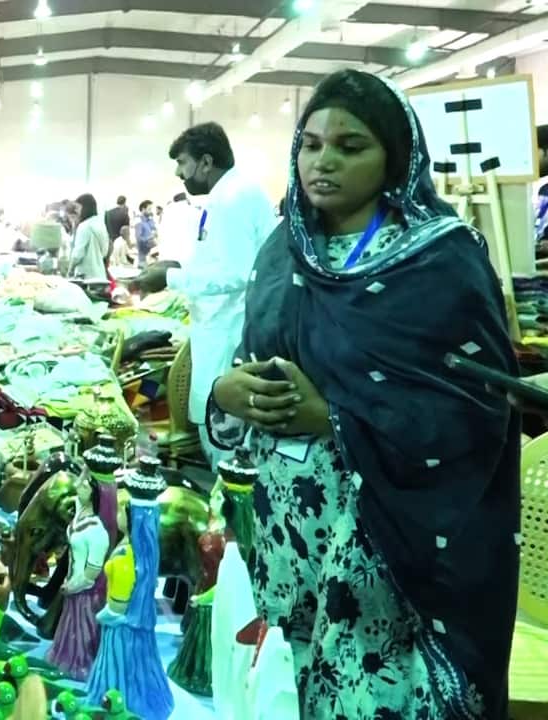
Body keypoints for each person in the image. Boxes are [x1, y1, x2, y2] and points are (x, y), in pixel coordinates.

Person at [208, 69, 518, 719]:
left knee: (370, 696)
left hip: (388, 542)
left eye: (351, 146)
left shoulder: (441, 261)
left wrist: (337, 418)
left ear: (396, 157)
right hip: (294, 530)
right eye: (312, 143)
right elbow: (254, 356)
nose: (323, 161)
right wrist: (226, 390)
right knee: (299, 690)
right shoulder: (282, 250)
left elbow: (475, 412)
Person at [135, 122, 276, 465]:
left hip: (229, 334)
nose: (178, 172)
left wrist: (170, 277)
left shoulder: (234, 198)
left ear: (206, 162)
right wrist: (177, 266)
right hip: (215, 330)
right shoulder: (225, 196)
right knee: (216, 431)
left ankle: (225, 513)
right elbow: (217, 260)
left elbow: (237, 273)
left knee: (224, 447)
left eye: (183, 162)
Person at [68, 192, 109, 280]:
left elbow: (78, 255)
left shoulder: (84, 226)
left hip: (85, 276)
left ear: (85, 207)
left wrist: (70, 269)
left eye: (78, 208)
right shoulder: (101, 224)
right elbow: (105, 251)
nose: (77, 211)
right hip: (99, 274)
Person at [104, 194, 131, 265]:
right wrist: (129, 244)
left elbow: (105, 227)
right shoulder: (125, 214)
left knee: (111, 262)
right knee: (121, 262)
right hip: (120, 242)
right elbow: (126, 230)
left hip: (109, 241)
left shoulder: (108, 213)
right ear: (125, 202)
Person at [134, 200, 158, 267]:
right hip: (144, 258)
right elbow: (139, 239)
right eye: (149, 209)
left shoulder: (150, 220)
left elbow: (154, 229)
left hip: (152, 255)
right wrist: (150, 237)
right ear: (143, 209)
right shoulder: (138, 221)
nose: (151, 211)